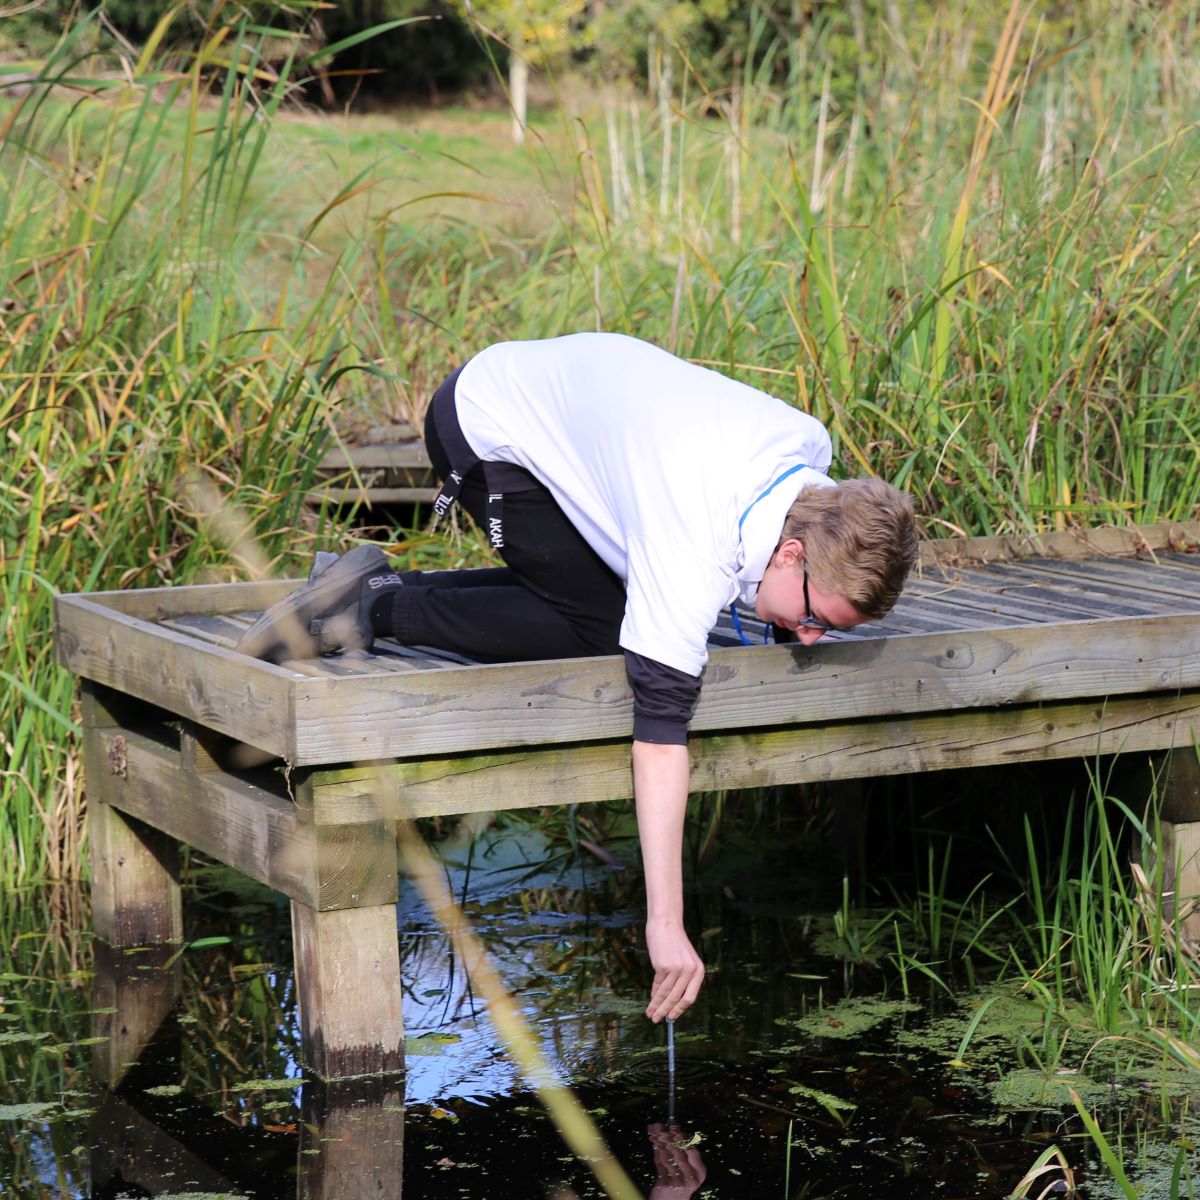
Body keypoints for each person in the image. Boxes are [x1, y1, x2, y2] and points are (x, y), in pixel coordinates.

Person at [238, 332, 918, 1024]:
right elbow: (659, 740)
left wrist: (792, 607)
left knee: (610, 606)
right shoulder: (695, 540)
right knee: (603, 629)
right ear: (792, 551)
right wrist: (665, 925)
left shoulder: (809, 461)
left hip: (581, 411)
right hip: (486, 423)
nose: (809, 638)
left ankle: (371, 584)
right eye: (813, 619)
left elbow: (772, 569)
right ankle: (367, 608)